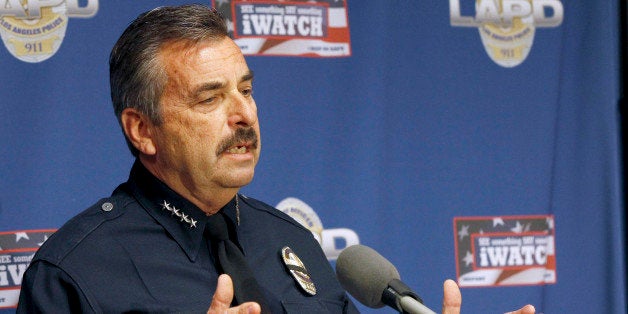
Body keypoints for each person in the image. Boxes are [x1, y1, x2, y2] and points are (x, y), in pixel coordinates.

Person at [17, 4, 536, 314]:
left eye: (246, 90)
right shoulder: (73, 272)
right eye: (210, 97)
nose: (244, 114)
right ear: (142, 129)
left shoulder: (290, 240)